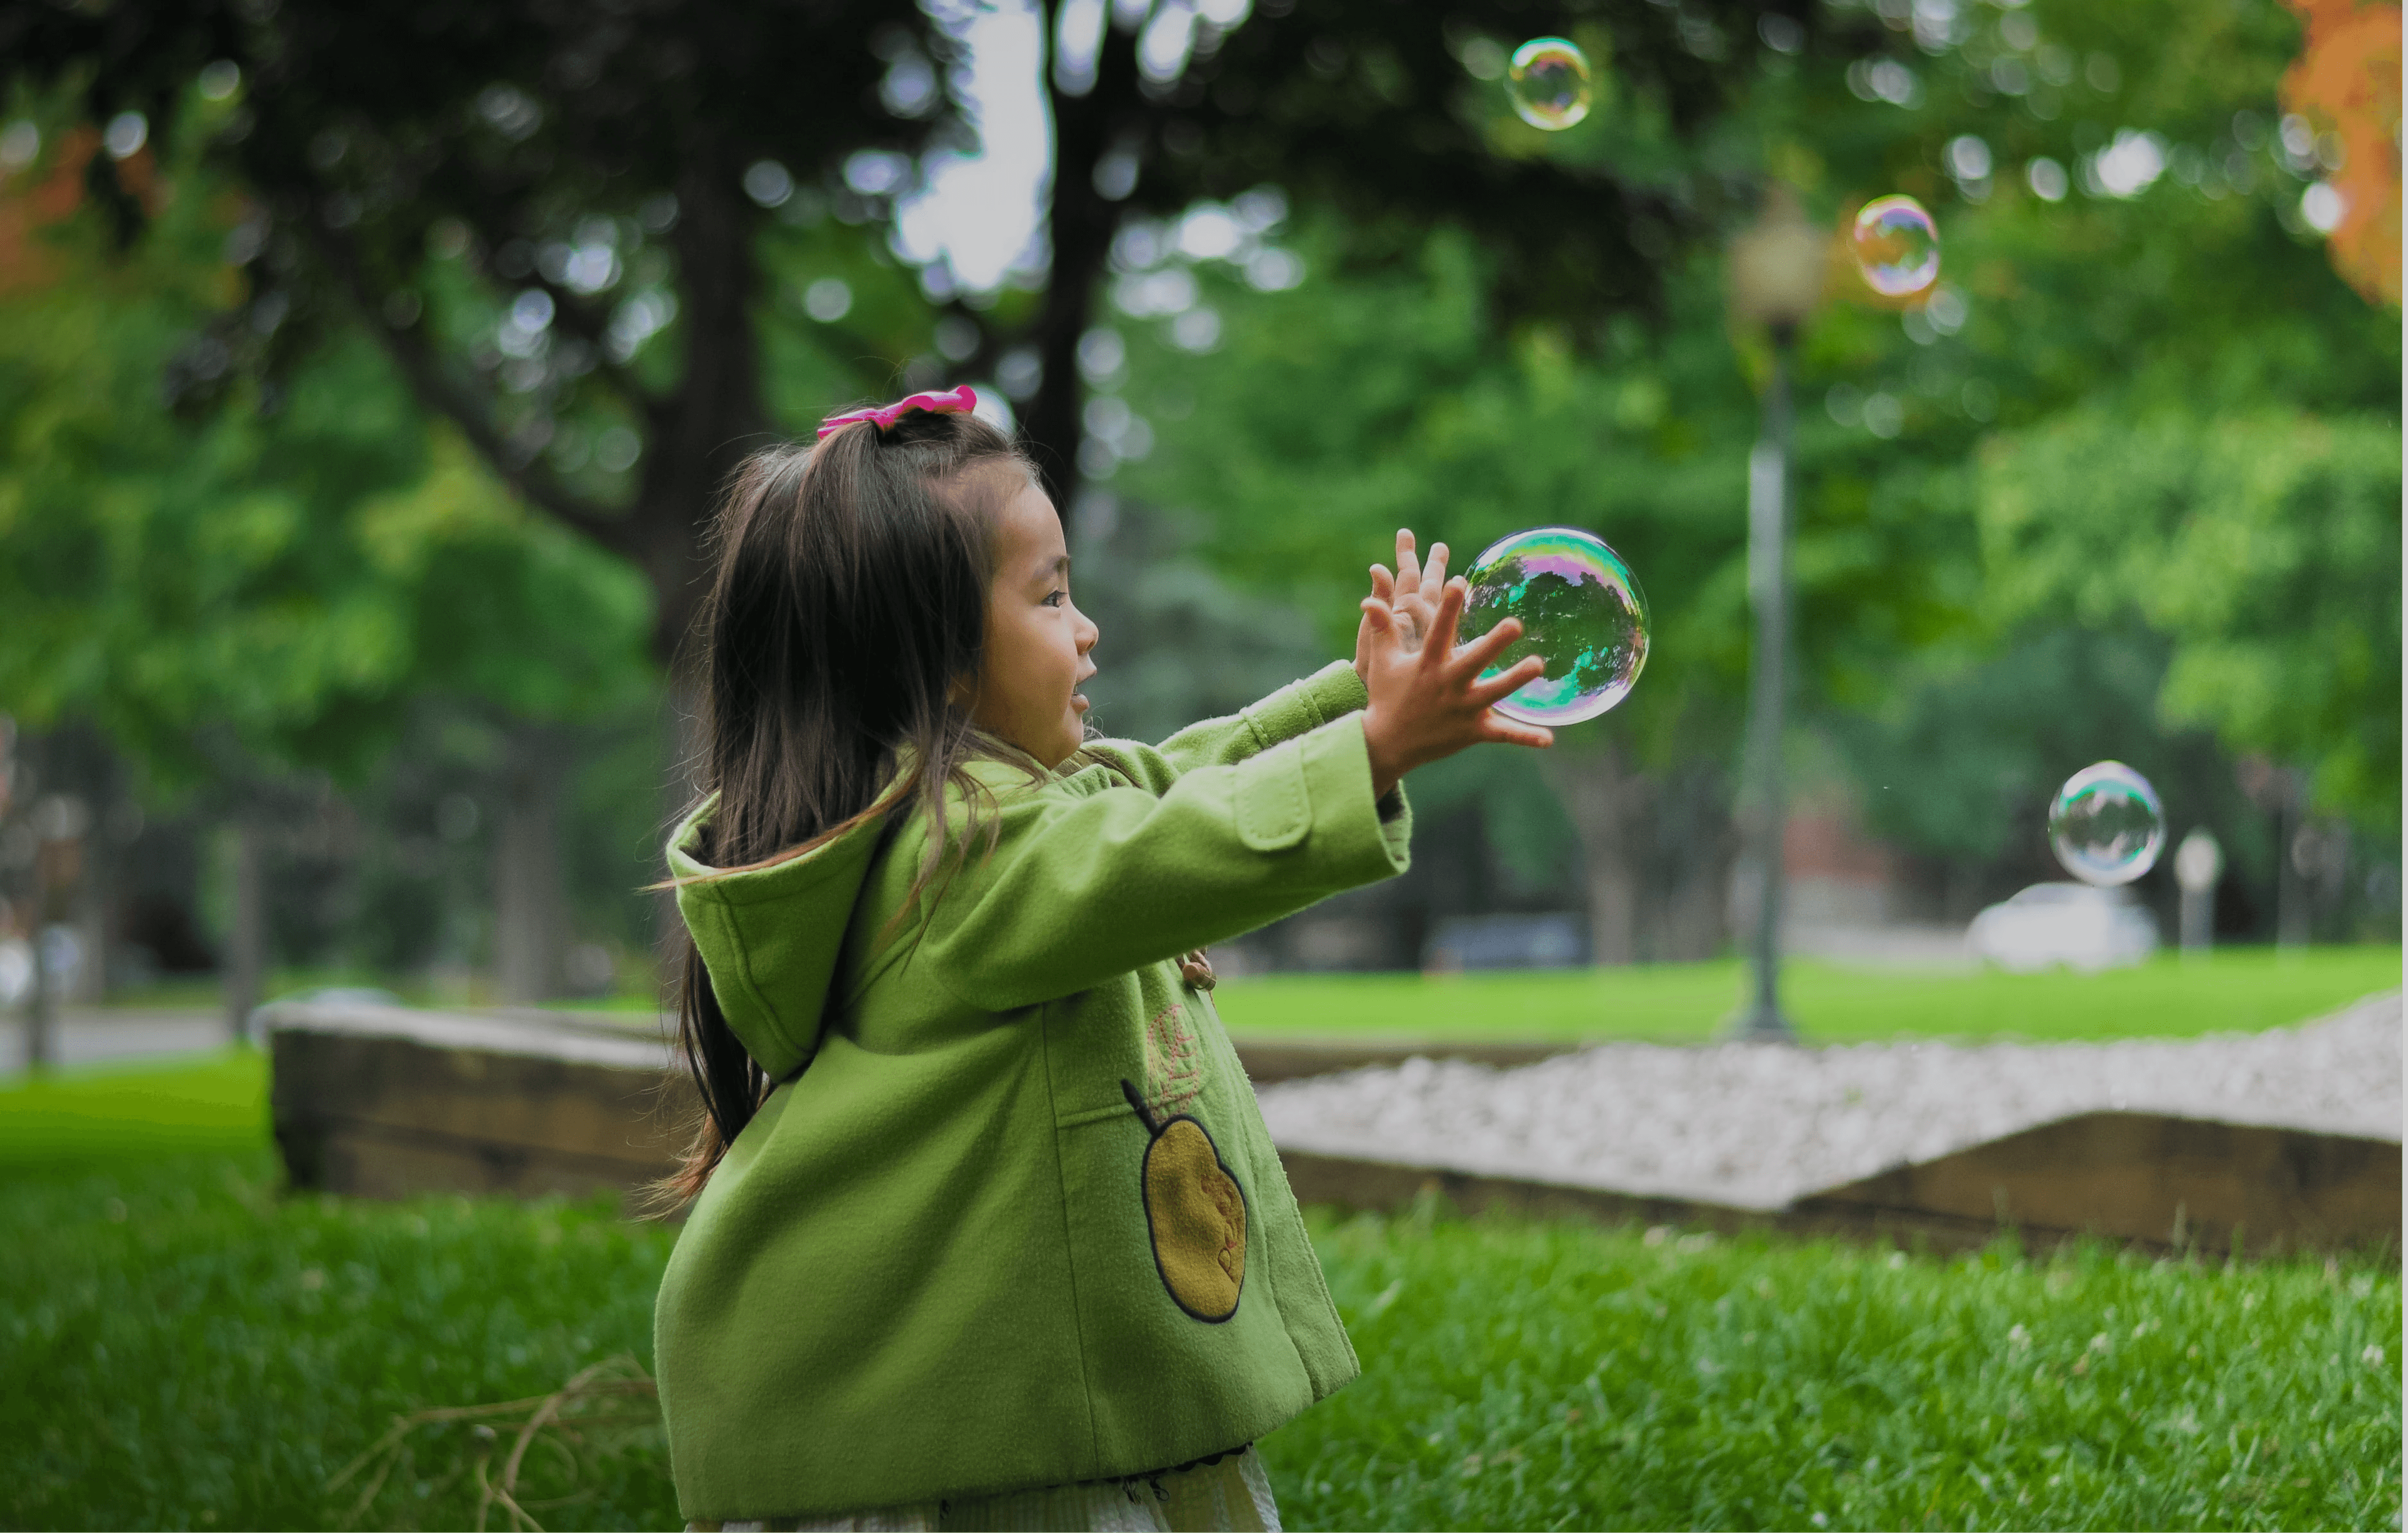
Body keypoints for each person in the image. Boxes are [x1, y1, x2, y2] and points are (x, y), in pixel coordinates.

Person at [647, 385, 1551, 1532]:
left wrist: (1355, 708)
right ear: (942, 663)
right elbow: (1164, 845)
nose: (1088, 627)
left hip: (1038, 1425)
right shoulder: (958, 864)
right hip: (1000, 1471)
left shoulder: (994, 818)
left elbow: (1164, 782)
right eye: (1052, 595)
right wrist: (1373, 746)